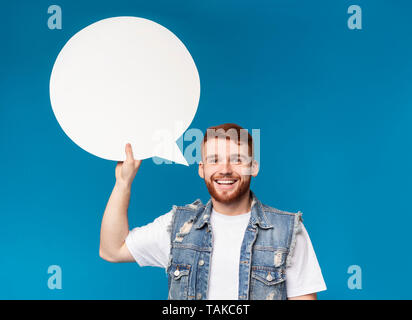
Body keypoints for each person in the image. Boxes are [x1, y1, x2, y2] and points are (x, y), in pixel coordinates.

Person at [99, 123, 326, 300]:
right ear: (202, 169)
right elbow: (112, 250)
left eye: (237, 160)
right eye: (214, 160)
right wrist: (123, 183)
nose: (225, 170)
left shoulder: (286, 231)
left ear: (253, 167)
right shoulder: (177, 227)